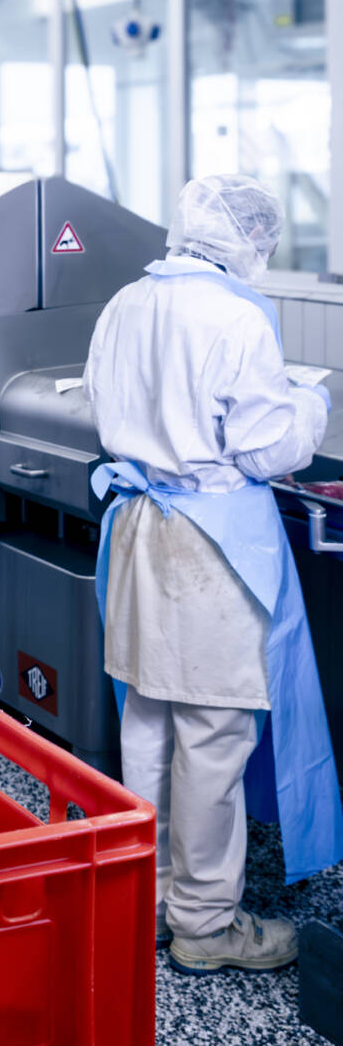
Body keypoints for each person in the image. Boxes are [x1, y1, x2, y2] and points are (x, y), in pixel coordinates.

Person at [83, 173, 343, 976]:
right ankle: (205, 924)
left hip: (138, 531)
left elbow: (102, 402)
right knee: (213, 738)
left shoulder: (127, 301)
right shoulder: (237, 317)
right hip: (209, 543)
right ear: (248, 242)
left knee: (149, 725)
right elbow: (268, 449)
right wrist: (313, 404)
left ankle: (152, 898)